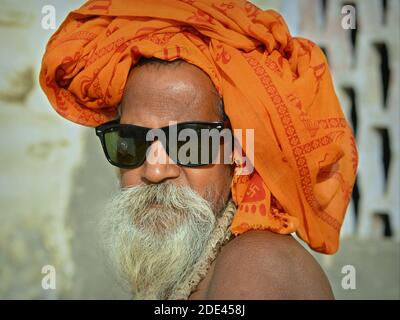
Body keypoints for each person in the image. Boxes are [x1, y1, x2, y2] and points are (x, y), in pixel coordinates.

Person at [39, 0, 358, 300]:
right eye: (132, 141)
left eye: (187, 143)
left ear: (237, 153)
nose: (154, 170)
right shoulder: (191, 269)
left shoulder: (257, 265)